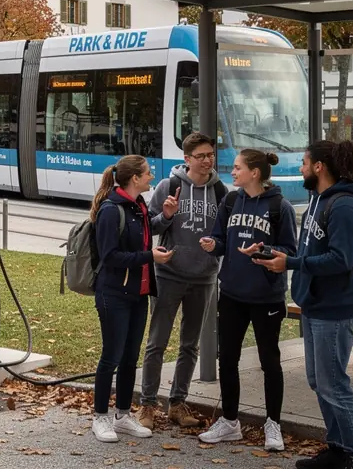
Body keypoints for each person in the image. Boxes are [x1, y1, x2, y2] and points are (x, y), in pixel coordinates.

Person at [261, 140, 353, 469]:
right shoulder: (317, 200)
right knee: (318, 381)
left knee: (334, 384)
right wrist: (276, 254)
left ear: (320, 167)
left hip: (337, 309)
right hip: (315, 306)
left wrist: (291, 263)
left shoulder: (345, 207)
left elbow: (342, 260)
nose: (301, 169)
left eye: (305, 163)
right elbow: (307, 249)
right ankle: (337, 449)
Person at [198, 150, 297, 450]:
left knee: (270, 362)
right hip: (231, 294)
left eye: (238, 168)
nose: (232, 171)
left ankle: (273, 425)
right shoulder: (230, 200)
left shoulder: (280, 207)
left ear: (255, 173)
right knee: (227, 358)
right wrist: (212, 244)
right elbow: (222, 241)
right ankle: (229, 421)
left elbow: (289, 252)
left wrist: (262, 250)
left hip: (266, 297)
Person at [139, 132, 224, 431]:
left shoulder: (221, 191)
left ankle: (177, 403)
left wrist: (216, 248)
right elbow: (149, 227)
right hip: (169, 275)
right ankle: (147, 405)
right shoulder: (169, 186)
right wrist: (165, 215)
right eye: (200, 156)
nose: (207, 160)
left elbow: (224, 235)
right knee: (156, 343)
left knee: (190, 346)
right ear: (187, 159)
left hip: (203, 278)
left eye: (210, 154)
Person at [90, 154, 173, 443]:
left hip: (138, 294)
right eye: (148, 173)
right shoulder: (111, 210)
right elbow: (109, 256)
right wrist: (150, 257)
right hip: (114, 293)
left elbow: (147, 237)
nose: (152, 176)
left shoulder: (138, 206)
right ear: (135, 178)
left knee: (130, 358)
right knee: (111, 356)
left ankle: (123, 414)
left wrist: (166, 216)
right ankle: (100, 417)